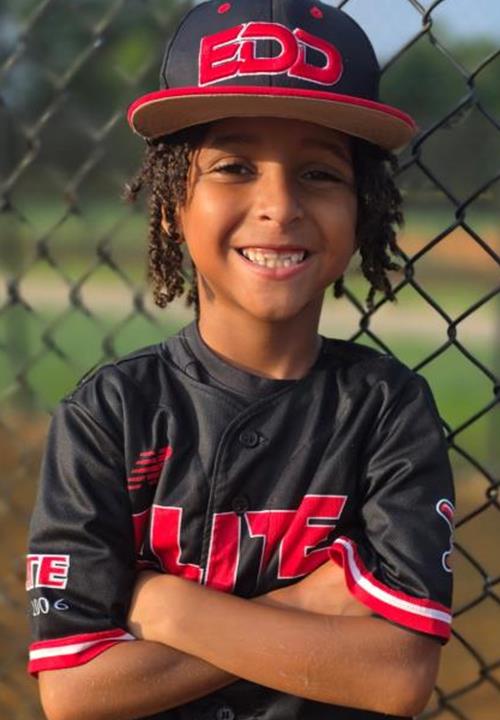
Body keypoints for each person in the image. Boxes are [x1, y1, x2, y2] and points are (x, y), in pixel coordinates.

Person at [27, 1, 455, 719]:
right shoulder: (110, 414)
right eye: (233, 167)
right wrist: (315, 604)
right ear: (173, 206)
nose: (279, 206)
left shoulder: (385, 408)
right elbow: (76, 692)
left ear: (363, 212)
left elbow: (398, 677)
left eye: (319, 173)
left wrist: (168, 608)